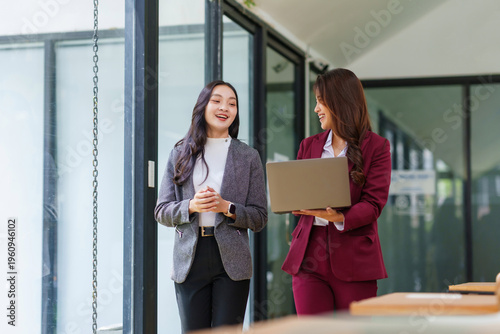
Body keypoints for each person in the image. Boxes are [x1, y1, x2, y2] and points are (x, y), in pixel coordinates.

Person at [154, 80, 268, 333]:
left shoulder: (248, 156)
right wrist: (191, 206)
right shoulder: (181, 153)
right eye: (217, 100)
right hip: (190, 259)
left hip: (232, 261)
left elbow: (260, 217)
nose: (224, 107)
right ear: (203, 106)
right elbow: (161, 211)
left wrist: (228, 208)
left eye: (232, 103)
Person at [281, 68, 392, 315]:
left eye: (321, 101)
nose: (316, 109)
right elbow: (299, 194)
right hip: (308, 254)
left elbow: (374, 204)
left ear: (340, 101)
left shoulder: (377, 147)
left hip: (354, 257)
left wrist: (339, 217)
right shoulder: (308, 145)